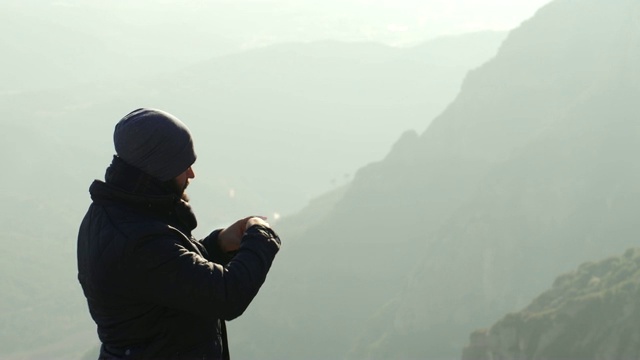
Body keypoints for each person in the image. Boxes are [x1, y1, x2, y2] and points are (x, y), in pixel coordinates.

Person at [77, 108, 281, 359]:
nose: (191, 174)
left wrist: (216, 245)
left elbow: (168, 277)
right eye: (183, 165)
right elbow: (227, 295)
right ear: (160, 168)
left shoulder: (118, 213)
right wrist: (262, 235)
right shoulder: (137, 240)